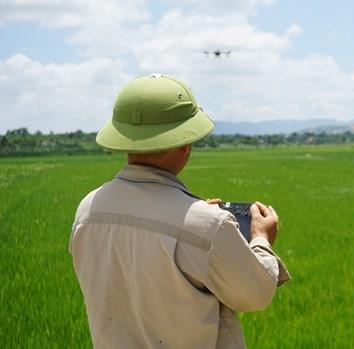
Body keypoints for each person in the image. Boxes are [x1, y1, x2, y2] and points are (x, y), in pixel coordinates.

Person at [69, 73, 290, 348]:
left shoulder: (88, 209)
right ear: (186, 143)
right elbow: (255, 295)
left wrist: (204, 224)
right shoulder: (206, 225)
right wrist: (261, 240)